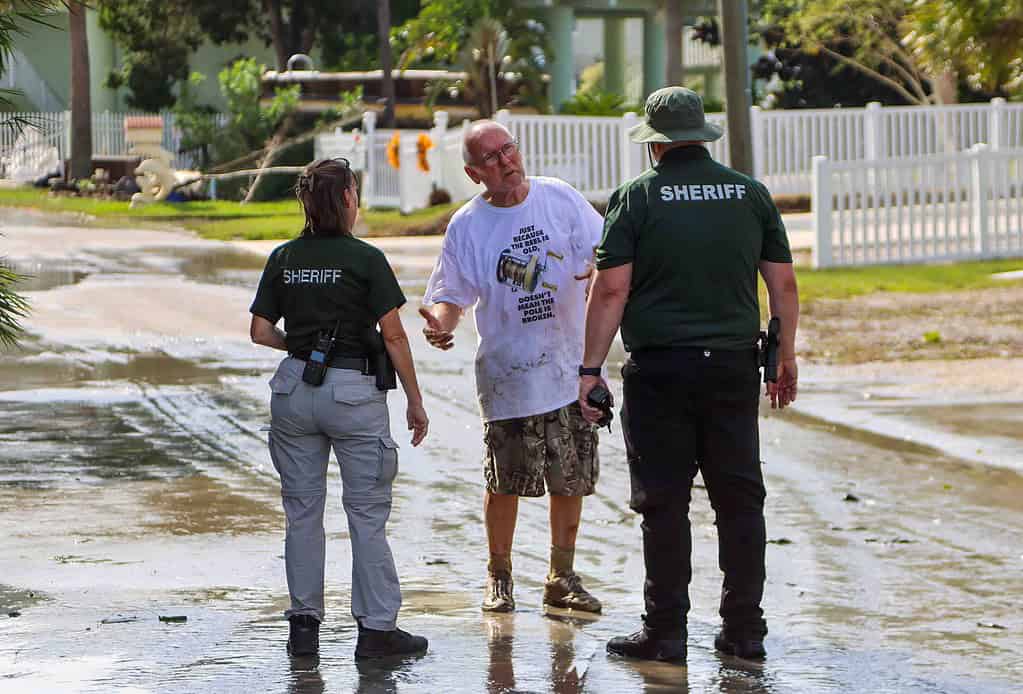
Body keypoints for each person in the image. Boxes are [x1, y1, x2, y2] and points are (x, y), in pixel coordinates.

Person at [578, 87, 800, 663]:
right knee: (740, 498)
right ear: (702, 135)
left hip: (661, 370)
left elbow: (611, 289)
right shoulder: (750, 194)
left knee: (664, 501)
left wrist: (589, 369)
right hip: (732, 367)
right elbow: (783, 285)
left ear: (654, 144)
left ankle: (667, 632)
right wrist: (786, 354)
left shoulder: (637, 197)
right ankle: (745, 631)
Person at [420, 120, 604, 615]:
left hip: (570, 369)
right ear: (472, 172)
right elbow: (450, 296)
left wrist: (597, 274)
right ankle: (498, 577)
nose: (506, 162)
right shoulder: (467, 225)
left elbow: (606, 255)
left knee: (571, 479)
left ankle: (560, 577)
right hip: (509, 378)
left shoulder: (559, 198)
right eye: (492, 158)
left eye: (509, 150)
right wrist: (440, 324)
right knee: (504, 483)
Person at [249, 158, 430, 660]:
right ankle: (376, 632)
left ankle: (303, 628)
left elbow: (261, 331)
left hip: (294, 391)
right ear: (348, 198)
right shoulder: (365, 259)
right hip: (353, 393)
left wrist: (302, 348)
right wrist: (414, 400)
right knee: (366, 516)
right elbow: (392, 333)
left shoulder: (284, 257)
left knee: (302, 512)